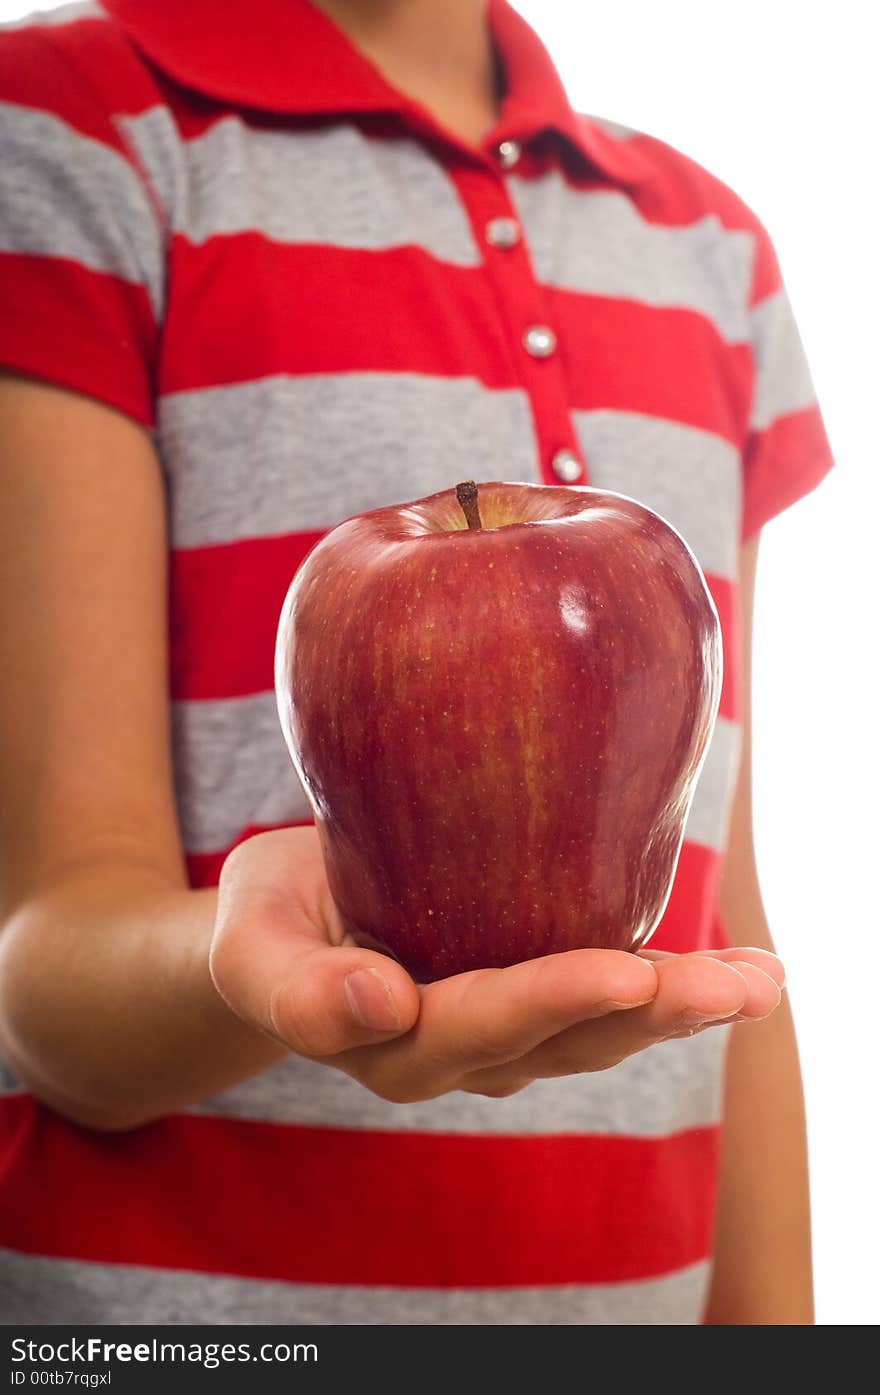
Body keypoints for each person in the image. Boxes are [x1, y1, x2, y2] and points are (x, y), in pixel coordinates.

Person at [0, 0, 832, 1325]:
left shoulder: (710, 243)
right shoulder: (65, 130)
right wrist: (262, 978)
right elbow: (38, 982)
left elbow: (726, 923)